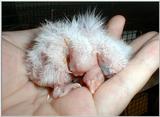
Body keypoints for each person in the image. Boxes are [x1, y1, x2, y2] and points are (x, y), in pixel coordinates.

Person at [2, 15, 159, 116]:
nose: (107, 74)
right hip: (47, 66)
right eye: (107, 71)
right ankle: (59, 89)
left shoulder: (94, 46)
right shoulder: (88, 48)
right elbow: (78, 66)